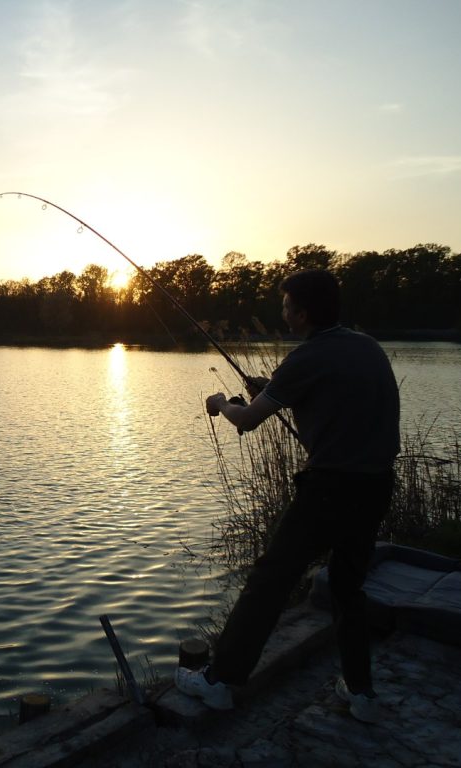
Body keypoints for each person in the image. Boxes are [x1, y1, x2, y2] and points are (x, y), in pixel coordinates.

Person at [175, 268, 400, 723]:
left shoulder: (307, 357)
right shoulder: (367, 346)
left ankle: (219, 682)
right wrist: (271, 389)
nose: (282, 312)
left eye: (285, 306)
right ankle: (362, 693)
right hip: (376, 485)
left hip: (330, 489)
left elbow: (247, 420)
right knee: (348, 587)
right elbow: (331, 397)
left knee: (270, 581)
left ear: (301, 313)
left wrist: (221, 404)